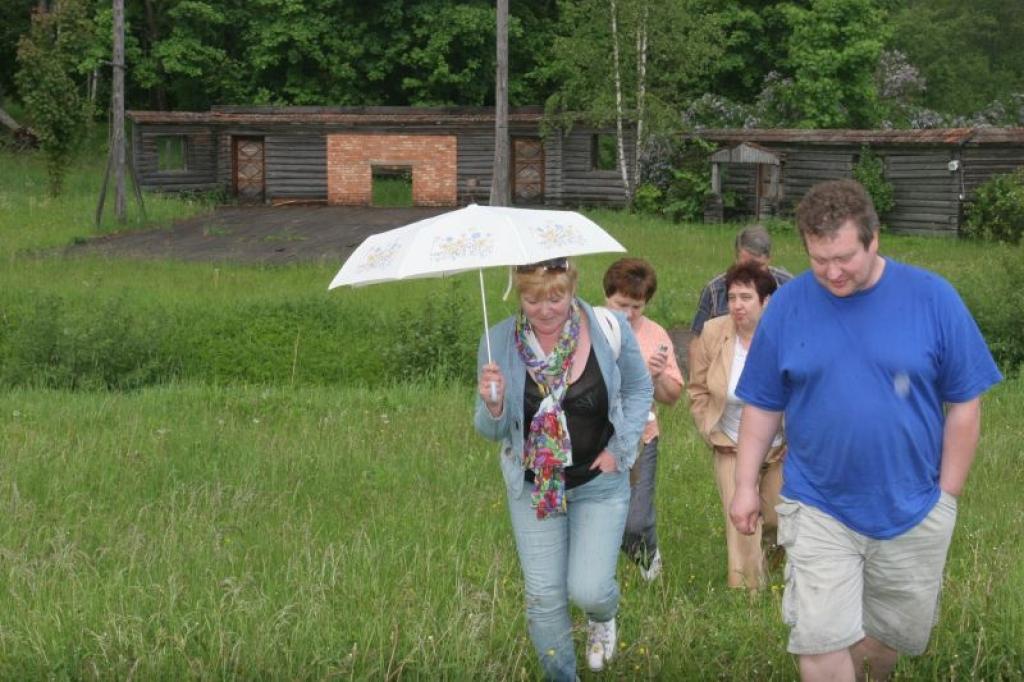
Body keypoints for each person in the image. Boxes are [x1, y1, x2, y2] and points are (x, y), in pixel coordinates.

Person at [728, 179, 1002, 681]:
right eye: (819, 260)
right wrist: (746, 485)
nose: (832, 272)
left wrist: (947, 496)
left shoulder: (932, 298)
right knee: (819, 639)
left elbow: (965, 402)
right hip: (818, 503)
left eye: (844, 258)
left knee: (883, 645)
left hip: (912, 506)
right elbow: (763, 405)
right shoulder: (787, 307)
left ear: (874, 239)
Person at [475, 257, 653, 680]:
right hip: (533, 486)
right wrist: (493, 405)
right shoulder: (497, 343)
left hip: (599, 483)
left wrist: (620, 449)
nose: (545, 310)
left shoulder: (609, 328)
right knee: (544, 598)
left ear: (573, 289)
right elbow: (491, 431)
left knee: (590, 590)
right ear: (519, 296)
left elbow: (638, 387)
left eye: (555, 297)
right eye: (532, 299)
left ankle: (601, 615)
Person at [688, 262, 785, 590]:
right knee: (743, 523)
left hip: (778, 448)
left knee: (776, 520)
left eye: (746, 297)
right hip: (730, 444)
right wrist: (709, 431)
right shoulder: (715, 332)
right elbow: (697, 388)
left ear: (765, 301)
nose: (737, 305)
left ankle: (771, 567)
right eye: (732, 298)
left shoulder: (784, 336)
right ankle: (747, 598)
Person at [602, 258, 684, 582]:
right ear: (607, 296)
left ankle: (649, 558)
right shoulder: (590, 329)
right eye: (621, 304)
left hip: (641, 435)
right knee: (601, 514)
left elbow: (672, 396)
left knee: (635, 520)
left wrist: (658, 374)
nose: (628, 314)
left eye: (636, 306)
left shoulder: (655, 335)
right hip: (596, 436)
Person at [689, 224, 792, 336]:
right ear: (736, 259)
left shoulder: (788, 287)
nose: (752, 272)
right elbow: (697, 338)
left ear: (769, 259)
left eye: (758, 266)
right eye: (747, 266)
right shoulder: (715, 291)